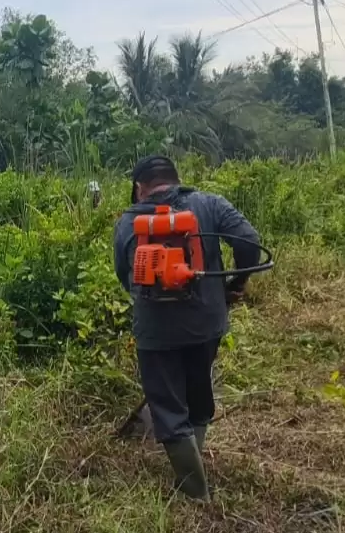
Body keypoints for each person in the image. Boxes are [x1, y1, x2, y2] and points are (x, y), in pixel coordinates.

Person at [112, 155, 261, 501]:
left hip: (156, 332)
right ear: (176, 180)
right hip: (206, 323)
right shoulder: (209, 203)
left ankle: (194, 491)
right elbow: (249, 242)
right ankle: (195, 472)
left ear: (139, 189)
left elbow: (125, 276)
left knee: (166, 405)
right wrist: (237, 284)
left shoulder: (128, 222)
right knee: (198, 394)